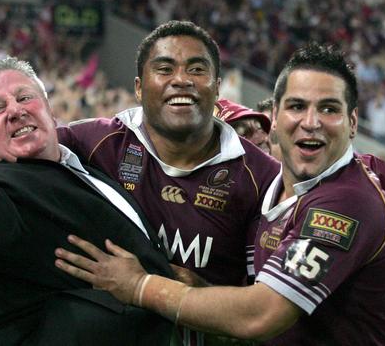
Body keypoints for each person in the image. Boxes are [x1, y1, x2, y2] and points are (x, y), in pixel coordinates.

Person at [54, 43, 385, 345]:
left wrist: (139, 286)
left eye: (329, 108)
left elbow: (260, 315)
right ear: (275, 116)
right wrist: (202, 289)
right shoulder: (271, 194)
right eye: (297, 106)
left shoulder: (346, 201)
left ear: (353, 123)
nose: (311, 121)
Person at [0, 0, 178, 345]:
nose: (14, 111)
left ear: (49, 109)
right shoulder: (3, 192)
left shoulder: (89, 159)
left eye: (24, 97)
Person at [56, 20, 280, 291]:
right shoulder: (96, 142)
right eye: (164, 69)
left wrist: (184, 292)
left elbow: (264, 308)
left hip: (208, 332)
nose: (182, 80)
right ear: (138, 87)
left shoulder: (263, 177)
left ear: (218, 87)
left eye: (197, 70)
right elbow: (21, 152)